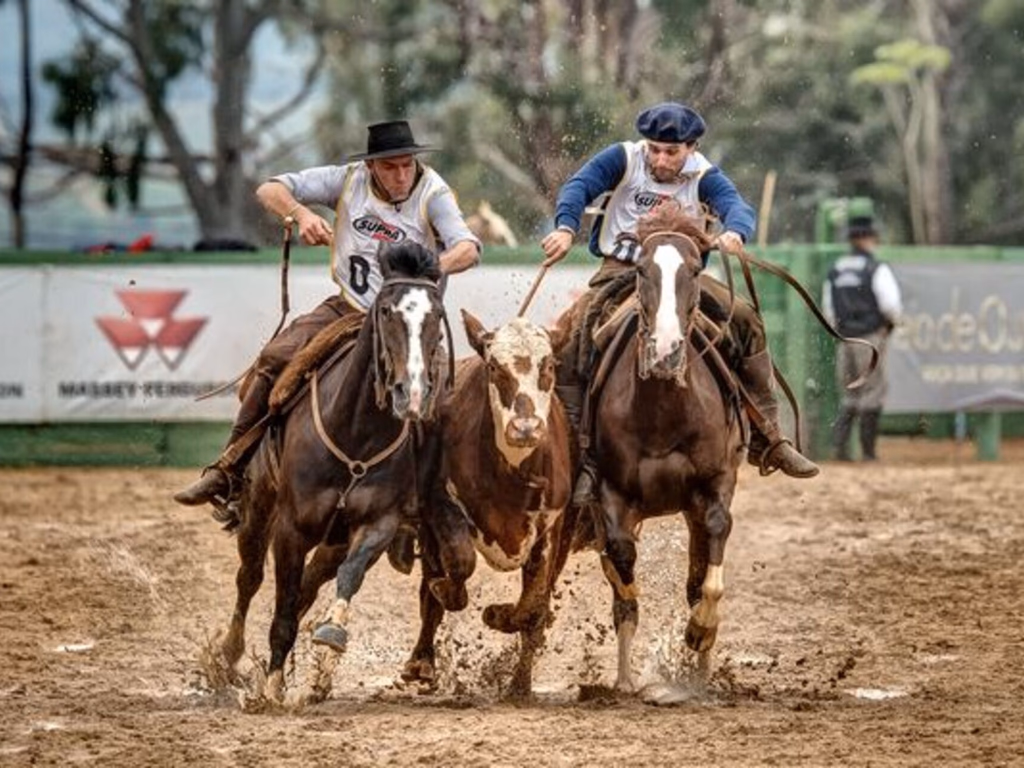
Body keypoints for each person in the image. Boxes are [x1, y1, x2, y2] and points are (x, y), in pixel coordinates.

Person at [174, 120, 481, 507]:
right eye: (390, 167)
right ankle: (229, 468)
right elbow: (270, 188)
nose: (402, 175)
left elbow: (468, 247)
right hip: (348, 308)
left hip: (408, 322)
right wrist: (300, 215)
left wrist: (431, 270)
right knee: (273, 361)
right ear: (371, 166)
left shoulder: (433, 192)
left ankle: (443, 504)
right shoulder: (346, 180)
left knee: (445, 403)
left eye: (407, 165)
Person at [540, 101, 819, 506]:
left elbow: (736, 207)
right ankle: (581, 458)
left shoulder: (705, 175)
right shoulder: (622, 158)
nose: (660, 158)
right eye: (654, 148)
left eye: (671, 152)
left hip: (683, 277)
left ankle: (769, 437)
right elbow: (578, 186)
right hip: (621, 272)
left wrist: (736, 232)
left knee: (745, 319)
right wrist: (566, 227)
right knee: (571, 338)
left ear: (691, 147)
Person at [822, 215, 902, 461]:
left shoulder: (835, 270)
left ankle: (841, 448)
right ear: (869, 238)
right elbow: (890, 305)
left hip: (845, 337)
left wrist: (841, 330)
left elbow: (828, 309)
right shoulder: (876, 268)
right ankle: (868, 452)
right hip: (870, 337)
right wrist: (890, 325)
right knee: (873, 391)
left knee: (849, 394)